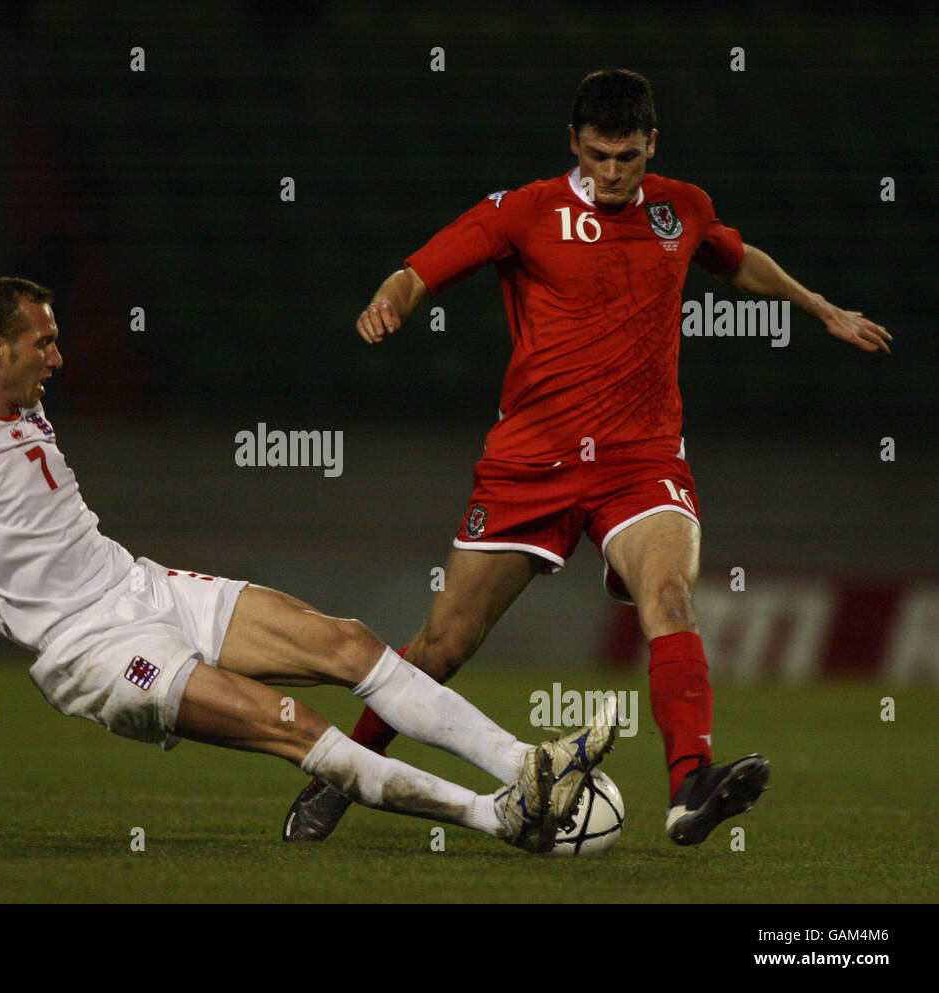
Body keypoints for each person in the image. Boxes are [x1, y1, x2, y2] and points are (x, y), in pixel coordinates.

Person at [284, 69, 891, 846]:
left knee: (669, 598)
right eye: (599, 155)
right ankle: (346, 769)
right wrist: (389, 303)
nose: (611, 173)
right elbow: (420, 270)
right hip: (530, 464)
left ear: (651, 147)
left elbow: (733, 257)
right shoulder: (525, 211)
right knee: (442, 645)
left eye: (627, 157)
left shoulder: (682, 207)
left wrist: (821, 308)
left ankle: (689, 784)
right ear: (574, 142)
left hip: (642, 462)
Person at [0, 277, 619, 853]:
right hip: (94, 649)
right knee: (294, 726)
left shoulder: (18, 402)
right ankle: (494, 816)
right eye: (42, 342)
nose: (57, 355)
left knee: (346, 640)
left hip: (139, 586)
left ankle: (528, 761)